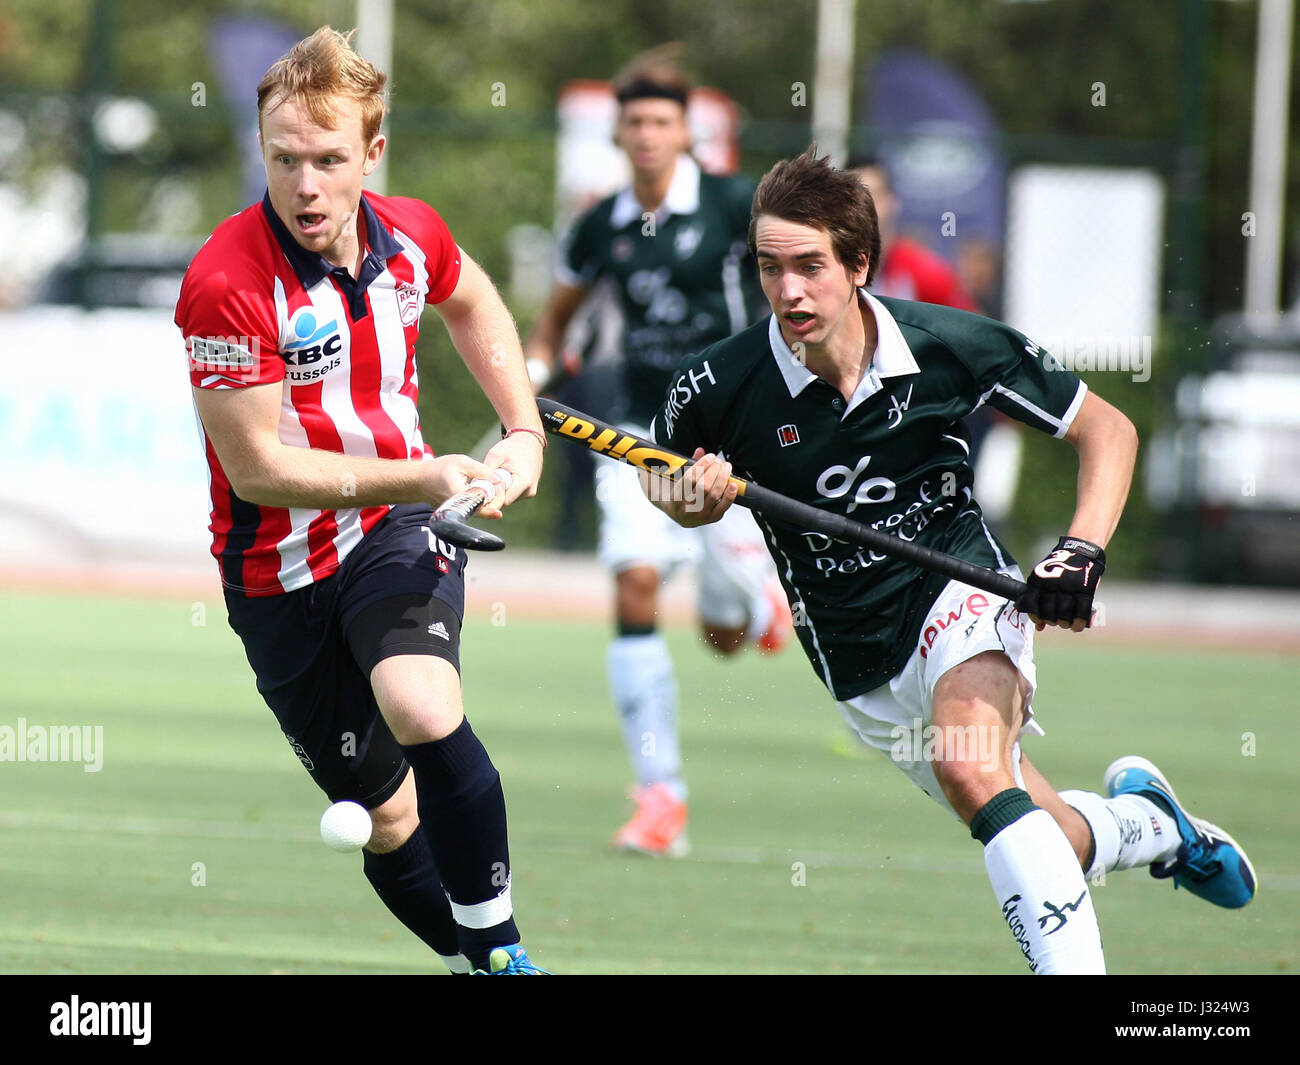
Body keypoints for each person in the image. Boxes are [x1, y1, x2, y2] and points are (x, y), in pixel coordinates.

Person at [647, 148, 1255, 973]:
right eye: (770, 268)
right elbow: (661, 475)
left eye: (810, 267)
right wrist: (692, 498)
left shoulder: (946, 344)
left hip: (956, 587)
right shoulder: (716, 384)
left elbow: (1107, 430)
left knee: (971, 766)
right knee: (1041, 830)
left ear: (860, 264)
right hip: (855, 655)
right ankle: (1147, 826)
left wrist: (1079, 550)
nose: (789, 291)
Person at [175, 27, 547, 975]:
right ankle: (481, 966)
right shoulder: (226, 284)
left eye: (329, 160)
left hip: (391, 530)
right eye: (285, 157)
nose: (305, 185)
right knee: (386, 819)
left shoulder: (411, 232)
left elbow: (472, 301)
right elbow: (260, 469)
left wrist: (523, 426)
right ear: (262, 146)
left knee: (421, 703)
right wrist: (428, 475)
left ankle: (505, 958)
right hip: (276, 570)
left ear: (372, 154)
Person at [525, 46, 792, 857]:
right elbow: (556, 317)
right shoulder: (601, 221)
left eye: (662, 122)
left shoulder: (733, 205)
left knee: (721, 635)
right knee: (634, 588)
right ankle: (659, 798)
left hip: (734, 436)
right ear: (618, 133)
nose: (647, 135)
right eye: (635, 122)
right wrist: (529, 377)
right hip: (640, 436)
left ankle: (748, 597)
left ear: (687, 133)